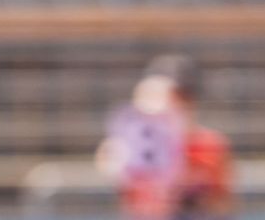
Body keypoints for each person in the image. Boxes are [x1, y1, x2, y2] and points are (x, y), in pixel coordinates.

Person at [95, 55, 236, 219]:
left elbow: (224, 205)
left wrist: (188, 197)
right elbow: (121, 186)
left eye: (180, 98)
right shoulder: (130, 143)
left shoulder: (210, 145)